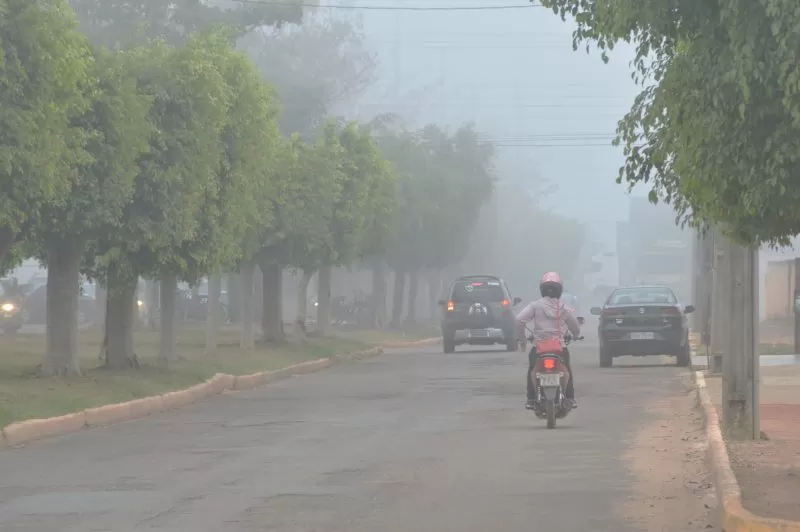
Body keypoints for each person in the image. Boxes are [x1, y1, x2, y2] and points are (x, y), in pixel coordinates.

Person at [515, 271, 581, 410]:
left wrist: (522, 339)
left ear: (542, 289)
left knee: (533, 369)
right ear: (559, 290)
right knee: (567, 369)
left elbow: (519, 320)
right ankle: (570, 398)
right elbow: (575, 326)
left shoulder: (535, 306)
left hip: (539, 347)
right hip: (559, 347)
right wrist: (576, 335)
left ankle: (531, 399)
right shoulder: (563, 307)